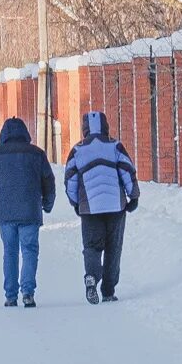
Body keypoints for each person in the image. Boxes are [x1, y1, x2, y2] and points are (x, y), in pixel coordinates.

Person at [62, 110, 139, 304]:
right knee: (114, 248)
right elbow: (127, 171)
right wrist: (133, 196)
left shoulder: (77, 150)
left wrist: (75, 202)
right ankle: (108, 290)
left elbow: (70, 179)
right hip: (115, 206)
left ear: (85, 128)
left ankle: (91, 277)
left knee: (92, 246)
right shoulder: (115, 146)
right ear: (105, 126)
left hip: (90, 208)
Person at [0, 115, 55, 307]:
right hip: (30, 211)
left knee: (10, 252)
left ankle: (10, 295)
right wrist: (47, 203)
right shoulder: (36, 154)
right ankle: (28, 292)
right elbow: (48, 180)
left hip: (5, 214)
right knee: (29, 250)